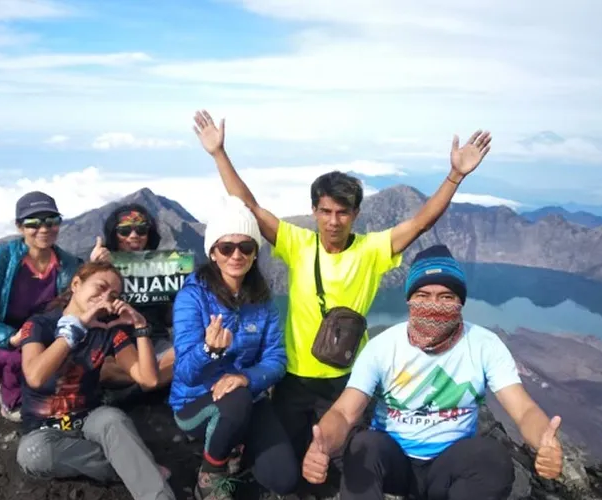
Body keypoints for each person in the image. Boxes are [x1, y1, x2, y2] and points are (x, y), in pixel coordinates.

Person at [192, 109, 493, 468]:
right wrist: (218, 154)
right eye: (325, 211)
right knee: (285, 468)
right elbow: (251, 208)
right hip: (295, 377)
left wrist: (455, 176)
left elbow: (421, 222)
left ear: (356, 214)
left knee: (340, 463)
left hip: (349, 378)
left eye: (342, 212)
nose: (333, 221)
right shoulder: (298, 243)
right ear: (314, 211)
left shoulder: (372, 250)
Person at [300, 245, 564, 500]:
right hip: (394, 462)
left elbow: (523, 410)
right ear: (410, 299)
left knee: (493, 458)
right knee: (363, 447)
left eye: (446, 297)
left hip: (450, 465)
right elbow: (345, 412)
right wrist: (322, 444)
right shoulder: (382, 347)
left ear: (460, 301)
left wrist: (544, 441)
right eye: (423, 296)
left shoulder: (485, 345)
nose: (434, 305)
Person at [169, 196, 298, 500]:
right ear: (213, 253)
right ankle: (210, 476)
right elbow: (186, 373)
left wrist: (246, 379)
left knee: (284, 479)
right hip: (195, 405)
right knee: (236, 399)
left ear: (255, 254)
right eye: (226, 248)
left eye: (246, 247)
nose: (236, 255)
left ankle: (237, 447)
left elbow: (277, 359)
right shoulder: (193, 298)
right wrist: (209, 351)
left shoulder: (262, 300)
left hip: (248, 399)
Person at [15, 261, 175, 500]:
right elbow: (36, 377)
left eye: (113, 295)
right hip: (42, 429)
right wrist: (74, 330)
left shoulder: (109, 331)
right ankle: (136, 466)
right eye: (99, 287)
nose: (105, 298)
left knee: (113, 419)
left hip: (90, 418)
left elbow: (149, 379)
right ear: (76, 284)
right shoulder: (40, 325)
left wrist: (141, 327)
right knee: (33, 454)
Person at [0, 191, 86, 421]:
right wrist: (11, 337)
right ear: (19, 227)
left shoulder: (68, 264)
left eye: (51, 221)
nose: (44, 229)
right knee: (20, 359)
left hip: (41, 332)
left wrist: (96, 265)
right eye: (33, 223)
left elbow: (83, 294)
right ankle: (11, 400)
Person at [90, 204, 176, 392]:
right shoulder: (103, 263)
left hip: (155, 340)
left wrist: (180, 293)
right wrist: (94, 270)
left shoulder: (164, 267)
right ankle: (152, 381)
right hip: (116, 343)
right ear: (114, 235)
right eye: (125, 231)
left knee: (183, 355)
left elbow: (170, 318)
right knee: (104, 369)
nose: (134, 236)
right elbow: (83, 304)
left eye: (141, 230)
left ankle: (141, 384)